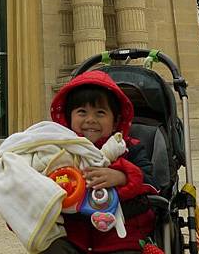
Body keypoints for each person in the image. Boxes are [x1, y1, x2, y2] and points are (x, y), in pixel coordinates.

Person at [46, 69, 159, 254]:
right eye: (82, 112)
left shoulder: (130, 149)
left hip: (121, 238)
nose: (90, 120)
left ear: (115, 122)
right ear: (69, 118)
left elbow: (154, 184)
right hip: (71, 237)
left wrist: (123, 176)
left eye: (100, 113)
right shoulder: (58, 152)